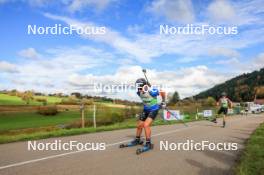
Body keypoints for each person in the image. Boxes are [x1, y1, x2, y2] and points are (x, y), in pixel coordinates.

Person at [129, 78, 166, 149]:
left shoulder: (151, 91)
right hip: (145, 110)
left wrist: (163, 102)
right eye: (137, 87)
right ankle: (137, 140)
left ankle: (148, 143)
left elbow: (162, 92)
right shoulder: (138, 92)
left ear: (144, 86)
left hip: (153, 110)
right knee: (139, 125)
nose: (139, 89)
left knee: (146, 125)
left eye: (140, 87)